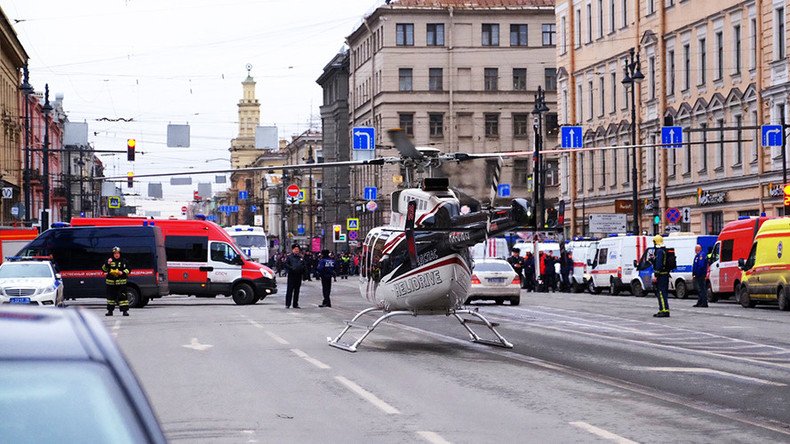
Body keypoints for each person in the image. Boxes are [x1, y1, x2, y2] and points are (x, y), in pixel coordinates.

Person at [102, 246, 131, 317]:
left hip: (121, 283)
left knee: (123, 297)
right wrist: (107, 263)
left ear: (120, 253)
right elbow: (104, 269)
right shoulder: (109, 261)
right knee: (110, 298)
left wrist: (122, 272)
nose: (116, 254)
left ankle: (125, 311)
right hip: (111, 283)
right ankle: (110, 311)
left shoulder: (124, 261)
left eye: (117, 253)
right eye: (115, 253)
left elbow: (129, 269)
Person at [650, 235, 671, 317]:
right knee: (663, 293)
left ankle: (664, 310)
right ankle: (662, 309)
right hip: (665, 275)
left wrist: (656, 275)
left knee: (661, 293)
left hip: (661, 276)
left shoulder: (659, 251)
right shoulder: (663, 250)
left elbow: (659, 264)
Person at [284, 244, 305, 308]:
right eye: (295, 249)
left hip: (298, 276)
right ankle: (288, 304)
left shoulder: (301, 257)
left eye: (297, 249)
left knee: (297, 290)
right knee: (289, 290)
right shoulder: (289, 257)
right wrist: (291, 268)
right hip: (291, 275)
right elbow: (286, 265)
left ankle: (295, 304)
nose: (296, 250)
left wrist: (302, 271)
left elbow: (304, 265)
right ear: (292, 250)